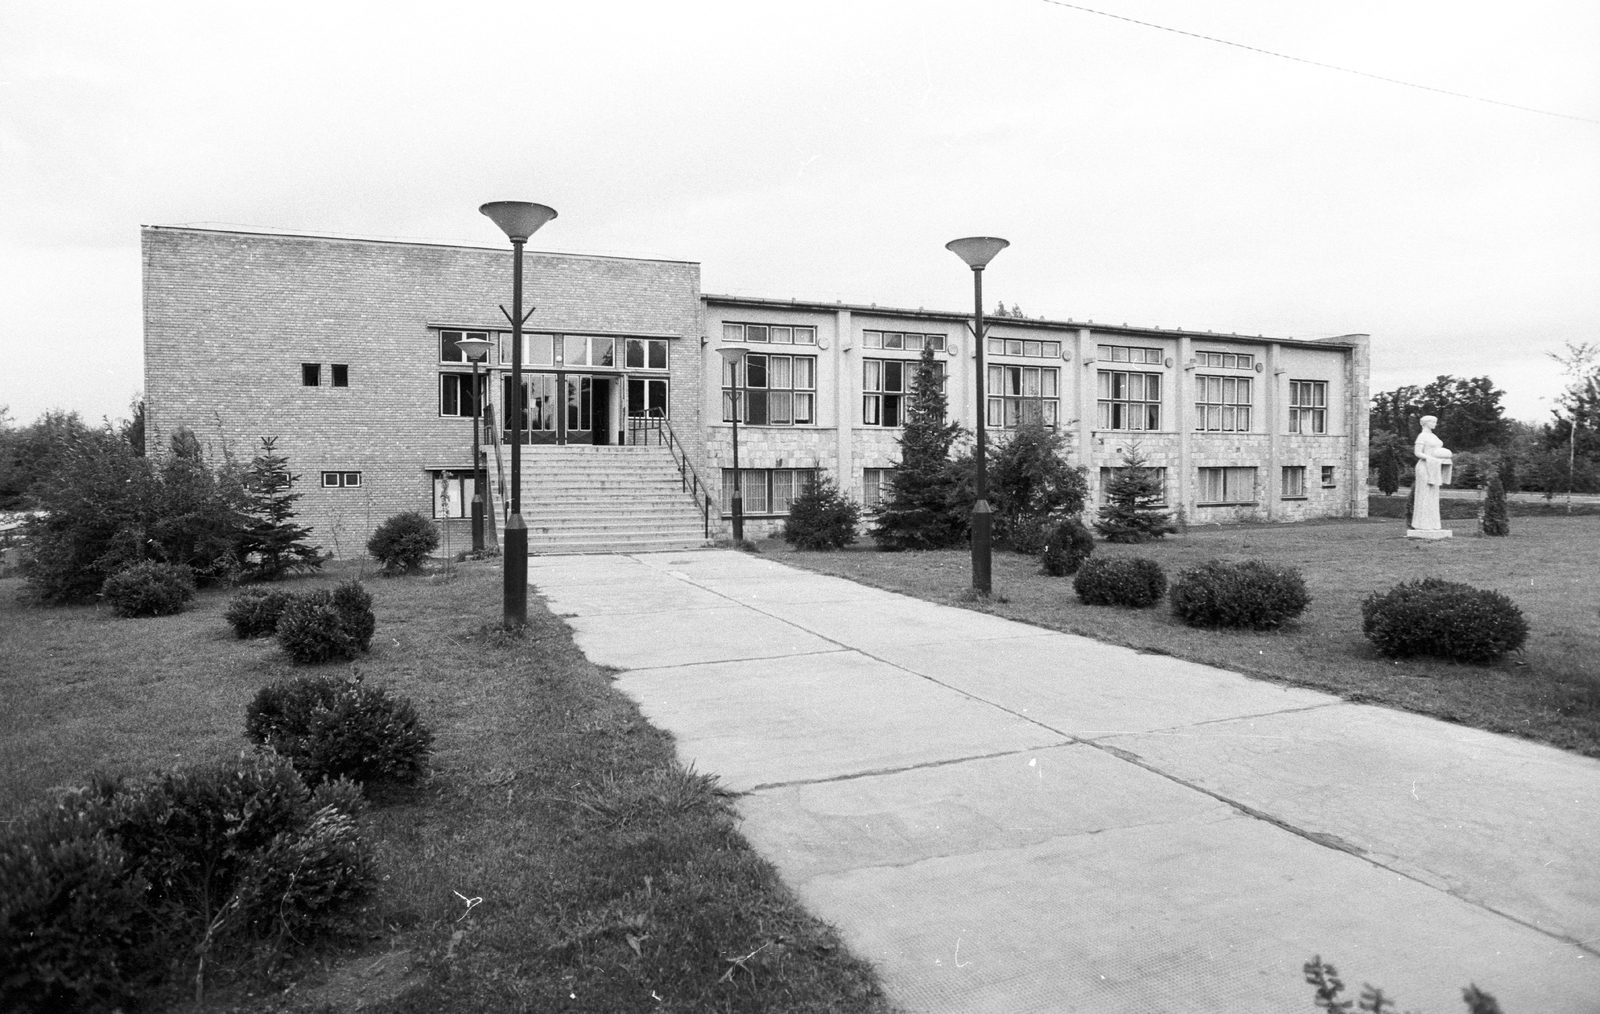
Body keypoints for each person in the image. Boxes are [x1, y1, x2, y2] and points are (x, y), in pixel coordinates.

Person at [1411, 415, 1453, 531]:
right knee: (1424, 495)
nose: (1435, 424)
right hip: (1425, 467)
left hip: (1434, 467)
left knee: (1433, 495)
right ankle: (1422, 524)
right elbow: (1418, 453)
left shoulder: (1434, 436)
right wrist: (1431, 459)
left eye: (1435, 421)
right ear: (1425, 423)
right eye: (1432, 422)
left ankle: (1432, 524)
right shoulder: (1422, 436)